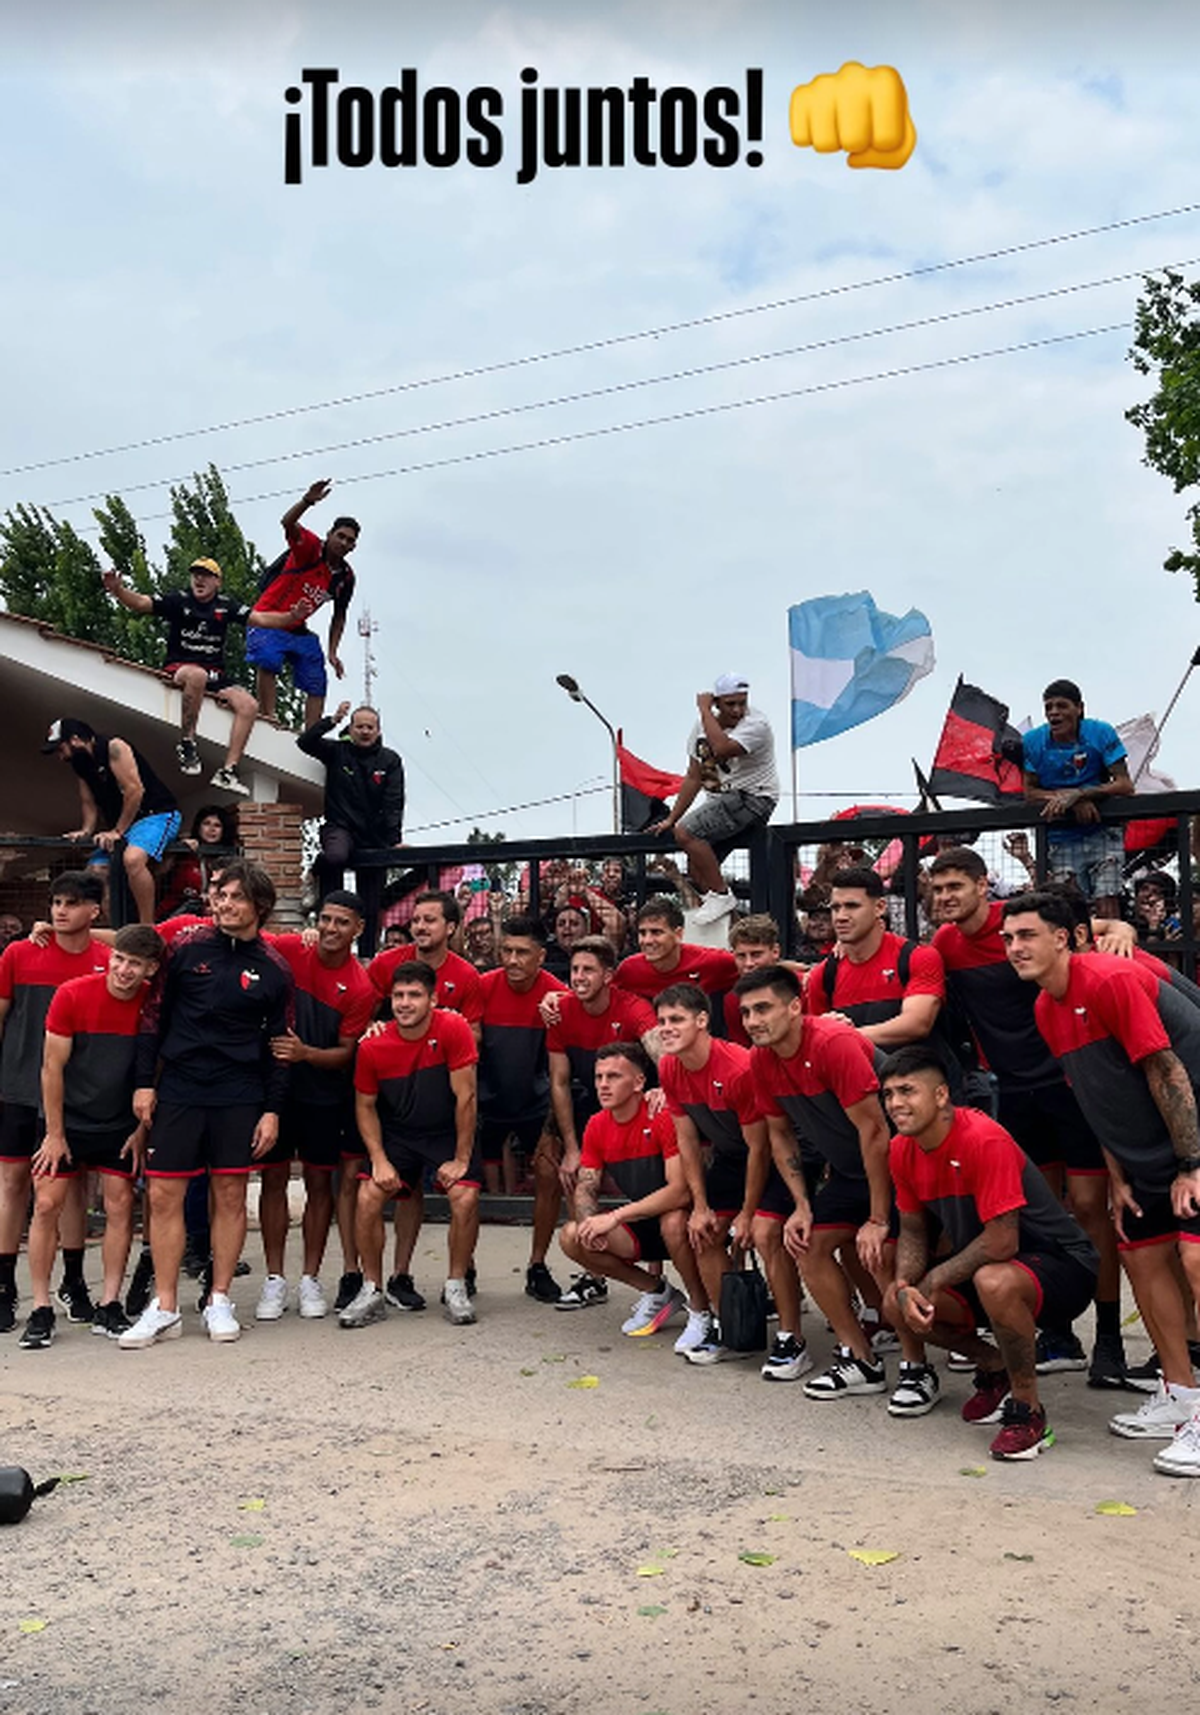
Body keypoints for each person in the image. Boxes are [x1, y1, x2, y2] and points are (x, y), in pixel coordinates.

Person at [1001, 891, 1200, 1474]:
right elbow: (1096, 1096)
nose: (1015, 948)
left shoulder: (1110, 979)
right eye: (1009, 939)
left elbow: (1166, 1070)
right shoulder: (1046, 1006)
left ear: (1063, 938)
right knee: (1142, 1258)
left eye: (1028, 936)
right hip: (1144, 1157)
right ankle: (1181, 1394)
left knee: (1193, 1262)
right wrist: (1118, 1176)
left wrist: (1191, 1164)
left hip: (1192, 1140)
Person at [929, 848, 1130, 1385]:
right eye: (938, 887)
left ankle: (1108, 1342)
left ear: (982, 885)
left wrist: (1122, 925)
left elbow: (1087, 924)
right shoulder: (945, 943)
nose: (946, 896)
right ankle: (1059, 1334)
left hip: (1071, 1083)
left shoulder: (1015, 922)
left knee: (1090, 1209)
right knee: (1040, 1220)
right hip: (1015, 1094)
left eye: (955, 886)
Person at [881, 1044, 1099, 1460]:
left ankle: (1028, 1413)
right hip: (989, 1267)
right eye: (888, 1094)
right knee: (897, 1301)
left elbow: (1003, 1241)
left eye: (907, 1091)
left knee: (992, 1279)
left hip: (1064, 1266)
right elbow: (911, 1228)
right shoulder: (900, 1149)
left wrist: (932, 1280)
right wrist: (908, 1284)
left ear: (941, 1095)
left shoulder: (983, 1137)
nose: (895, 1103)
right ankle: (994, 1364)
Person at [737, 964, 938, 1415]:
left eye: (763, 1008)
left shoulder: (834, 1043)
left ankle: (917, 1367)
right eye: (747, 1012)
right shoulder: (760, 1059)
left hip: (907, 1169)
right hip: (850, 1174)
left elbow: (876, 1134)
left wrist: (878, 1218)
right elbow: (780, 1134)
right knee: (806, 1245)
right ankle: (861, 1360)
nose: (753, 1021)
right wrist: (802, 1205)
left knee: (881, 1254)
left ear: (795, 1006)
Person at [120, 861, 294, 1348]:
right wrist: (143, 1083)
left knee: (231, 1196)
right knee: (162, 1195)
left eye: (235, 897)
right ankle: (167, 1305)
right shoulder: (184, 948)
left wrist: (272, 1109)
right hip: (179, 1087)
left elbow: (282, 1045)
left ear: (259, 906)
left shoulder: (276, 968)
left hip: (240, 1093)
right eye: (219, 896)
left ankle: (219, 1298)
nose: (223, 904)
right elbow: (153, 1019)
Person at [19, 925, 164, 1348]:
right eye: (119, 959)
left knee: (120, 1204)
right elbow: (51, 1067)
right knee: (46, 1203)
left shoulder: (153, 1005)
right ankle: (41, 1308)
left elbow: (154, 1074)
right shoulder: (73, 994)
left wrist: (141, 1129)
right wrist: (54, 1132)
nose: (123, 969)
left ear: (150, 969)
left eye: (134, 963)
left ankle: (109, 1304)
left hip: (120, 1122)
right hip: (67, 1120)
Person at [655, 982, 806, 1376]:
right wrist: (701, 1206)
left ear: (702, 1021)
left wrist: (747, 1212)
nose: (666, 1028)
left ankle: (792, 1339)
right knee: (703, 1230)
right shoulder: (669, 1065)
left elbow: (761, 1148)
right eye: (661, 1021)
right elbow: (686, 1139)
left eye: (677, 1020)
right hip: (729, 1159)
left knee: (764, 1231)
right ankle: (732, 1328)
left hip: (773, 1156)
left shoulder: (737, 1067)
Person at [255, 891, 378, 1321]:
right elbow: (254, 941)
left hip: (323, 1097)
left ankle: (309, 1278)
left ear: (358, 929)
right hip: (274, 1092)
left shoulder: (360, 987)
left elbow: (347, 1053)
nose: (330, 928)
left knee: (318, 1186)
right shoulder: (291, 949)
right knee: (271, 1181)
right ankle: (274, 1279)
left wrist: (306, 1054)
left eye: (341, 922)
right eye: (325, 919)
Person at [0, 872, 111, 1334]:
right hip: (19, 1089)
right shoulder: (18, 953)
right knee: (13, 1183)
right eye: (55, 903)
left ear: (94, 911)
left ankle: (73, 1282)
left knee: (71, 1190)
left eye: (71, 903)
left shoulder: (107, 961)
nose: (59, 911)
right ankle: (5, 1287)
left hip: (76, 1096)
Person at [366, 890, 484, 1312]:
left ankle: (461, 1273)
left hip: (446, 1091)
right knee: (403, 1190)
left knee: (462, 1192)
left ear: (451, 927)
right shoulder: (385, 965)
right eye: (416, 919)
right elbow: (363, 1012)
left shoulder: (465, 976)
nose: (419, 926)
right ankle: (397, 1277)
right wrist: (379, 1029)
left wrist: (440, 1037)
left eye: (430, 920)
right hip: (398, 1094)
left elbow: (474, 1038)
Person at [349, 961, 481, 1329]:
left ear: (433, 999)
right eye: (398, 996)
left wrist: (461, 1158)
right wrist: (378, 1159)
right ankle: (372, 1288)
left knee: (465, 1197)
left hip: (446, 1132)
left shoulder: (454, 1027)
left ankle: (456, 1285)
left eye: (415, 995)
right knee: (367, 1196)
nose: (405, 1003)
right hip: (398, 1134)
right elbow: (365, 1106)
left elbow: (466, 1098)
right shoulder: (373, 1044)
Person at [558, 1041, 708, 1346]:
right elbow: (587, 1185)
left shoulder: (662, 1115)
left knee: (673, 1221)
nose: (603, 1085)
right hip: (643, 1220)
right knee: (573, 1235)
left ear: (639, 1082)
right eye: (599, 1077)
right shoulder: (596, 1125)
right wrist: (590, 1225)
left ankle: (701, 1309)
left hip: (694, 1220)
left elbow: (680, 1192)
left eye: (613, 1077)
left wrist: (613, 1218)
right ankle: (658, 1292)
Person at [546, 936, 658, 1311]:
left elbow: (661, 1053)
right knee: (575, 1178)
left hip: (642, 1104)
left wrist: (666, 1093)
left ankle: (655, 1285)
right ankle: (594, 1277)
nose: (579, 977)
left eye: (588, 970)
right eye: (574, 969)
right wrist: (572, 1147)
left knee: (655, 1184)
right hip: (589, 1103)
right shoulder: (559, 1012)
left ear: (609, 975)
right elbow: (559, 1082)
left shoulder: (633, 1008)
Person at [102, 557, 257, 793]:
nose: (199, 579)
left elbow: (263, 618)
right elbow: (142, 603)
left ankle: (228, 772)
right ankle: (187, 743)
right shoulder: (179, 600)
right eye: (195, 574)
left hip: (215, 674)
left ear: (217, 581)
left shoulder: (226, 605)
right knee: (197, 676)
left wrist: (293, 617)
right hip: (181, 668)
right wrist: (118, 590)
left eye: (205, 575)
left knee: (249, 704)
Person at [476, 916, 567, 1299]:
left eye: (522, 953)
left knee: (548, 1178)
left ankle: (537, 1265)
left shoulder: (558, 995)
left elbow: (563, 1066)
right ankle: (462, 1269)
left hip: (536, 1104)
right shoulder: (481, 987)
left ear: (541, 956)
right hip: (484, 1102)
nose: (512, 960)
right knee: (465, 1188)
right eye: (506, 951)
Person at [649, 674, 779, 926]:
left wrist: (704, 709)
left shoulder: (757, 724)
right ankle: (739, 928)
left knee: (687, 832)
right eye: (731, 704)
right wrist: (671, 818)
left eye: (742, 702)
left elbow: (721, 748)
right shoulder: (701, 728)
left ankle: (721, 896)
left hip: (753, 797)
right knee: (697, 870)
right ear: (719, 702)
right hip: (725, 802)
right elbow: (693, 776)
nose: (738, 710)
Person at [44, 718, 182, 926]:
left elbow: (135, 791)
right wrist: (86, 830)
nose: (60, 756)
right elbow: (88, 801)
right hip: (123, 826)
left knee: (133, 859)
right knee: (95, 873)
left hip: (156, 815)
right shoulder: (80, 765)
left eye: (60, 749)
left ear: (74, 740)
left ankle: (147, 927)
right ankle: (118, 930)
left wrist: (118, 830)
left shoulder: (114, 747)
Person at [247, 478, 358, 729]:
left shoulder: (345, 577)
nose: (344, 543)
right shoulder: (310, 549)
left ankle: (312, 732)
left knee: (316, 675)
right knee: (268, 658)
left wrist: (333, 651)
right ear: (329, 535)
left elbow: (339, 616)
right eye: (340, 536)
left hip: (296, 626)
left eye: (350, 540)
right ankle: (268, 716)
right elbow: (287, 523)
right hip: (267, 616)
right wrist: (307, 501)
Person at [1021, 678, 1133, 916]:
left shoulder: (1100, 733)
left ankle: (1110, 953)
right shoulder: (1032, 741)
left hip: (1101, 830)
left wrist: (1080, 795)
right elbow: (1029, 792)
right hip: (1061, 837)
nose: (1054, 713)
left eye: (1061, 706)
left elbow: (1124, 785)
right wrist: (1068, 799)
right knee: (1070, 908)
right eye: (1048, 707)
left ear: (1079, 708)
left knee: (1107, 903)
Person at [297, 701, 405, 925]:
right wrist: (332, 720)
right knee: (336, 856)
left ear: (378, 730)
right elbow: (305, 742)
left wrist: (393, 840)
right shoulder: (337, 751)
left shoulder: (390, 760)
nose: (365, 732)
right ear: (351, 728)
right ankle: (315, 875)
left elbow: (394, 802)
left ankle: (367, 955)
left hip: (374, 836)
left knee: (371, 905)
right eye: (360, 727)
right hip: (340, 827)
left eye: (370, 727)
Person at [616, 896, 738, 1008]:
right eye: (642, 933)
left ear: (678, 934)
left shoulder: (714, 961)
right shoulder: (628, 970)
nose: (647, 940)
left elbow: (750, 969)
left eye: (656, 932)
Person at [157, 804, 238, 921]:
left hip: (212, 914)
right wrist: (178, 846)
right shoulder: (184, 850)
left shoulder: (229, 857)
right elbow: (160, 872)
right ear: (199, 827)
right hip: (175, 910)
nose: (212, 829)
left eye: (217, 825)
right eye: (206, 824)